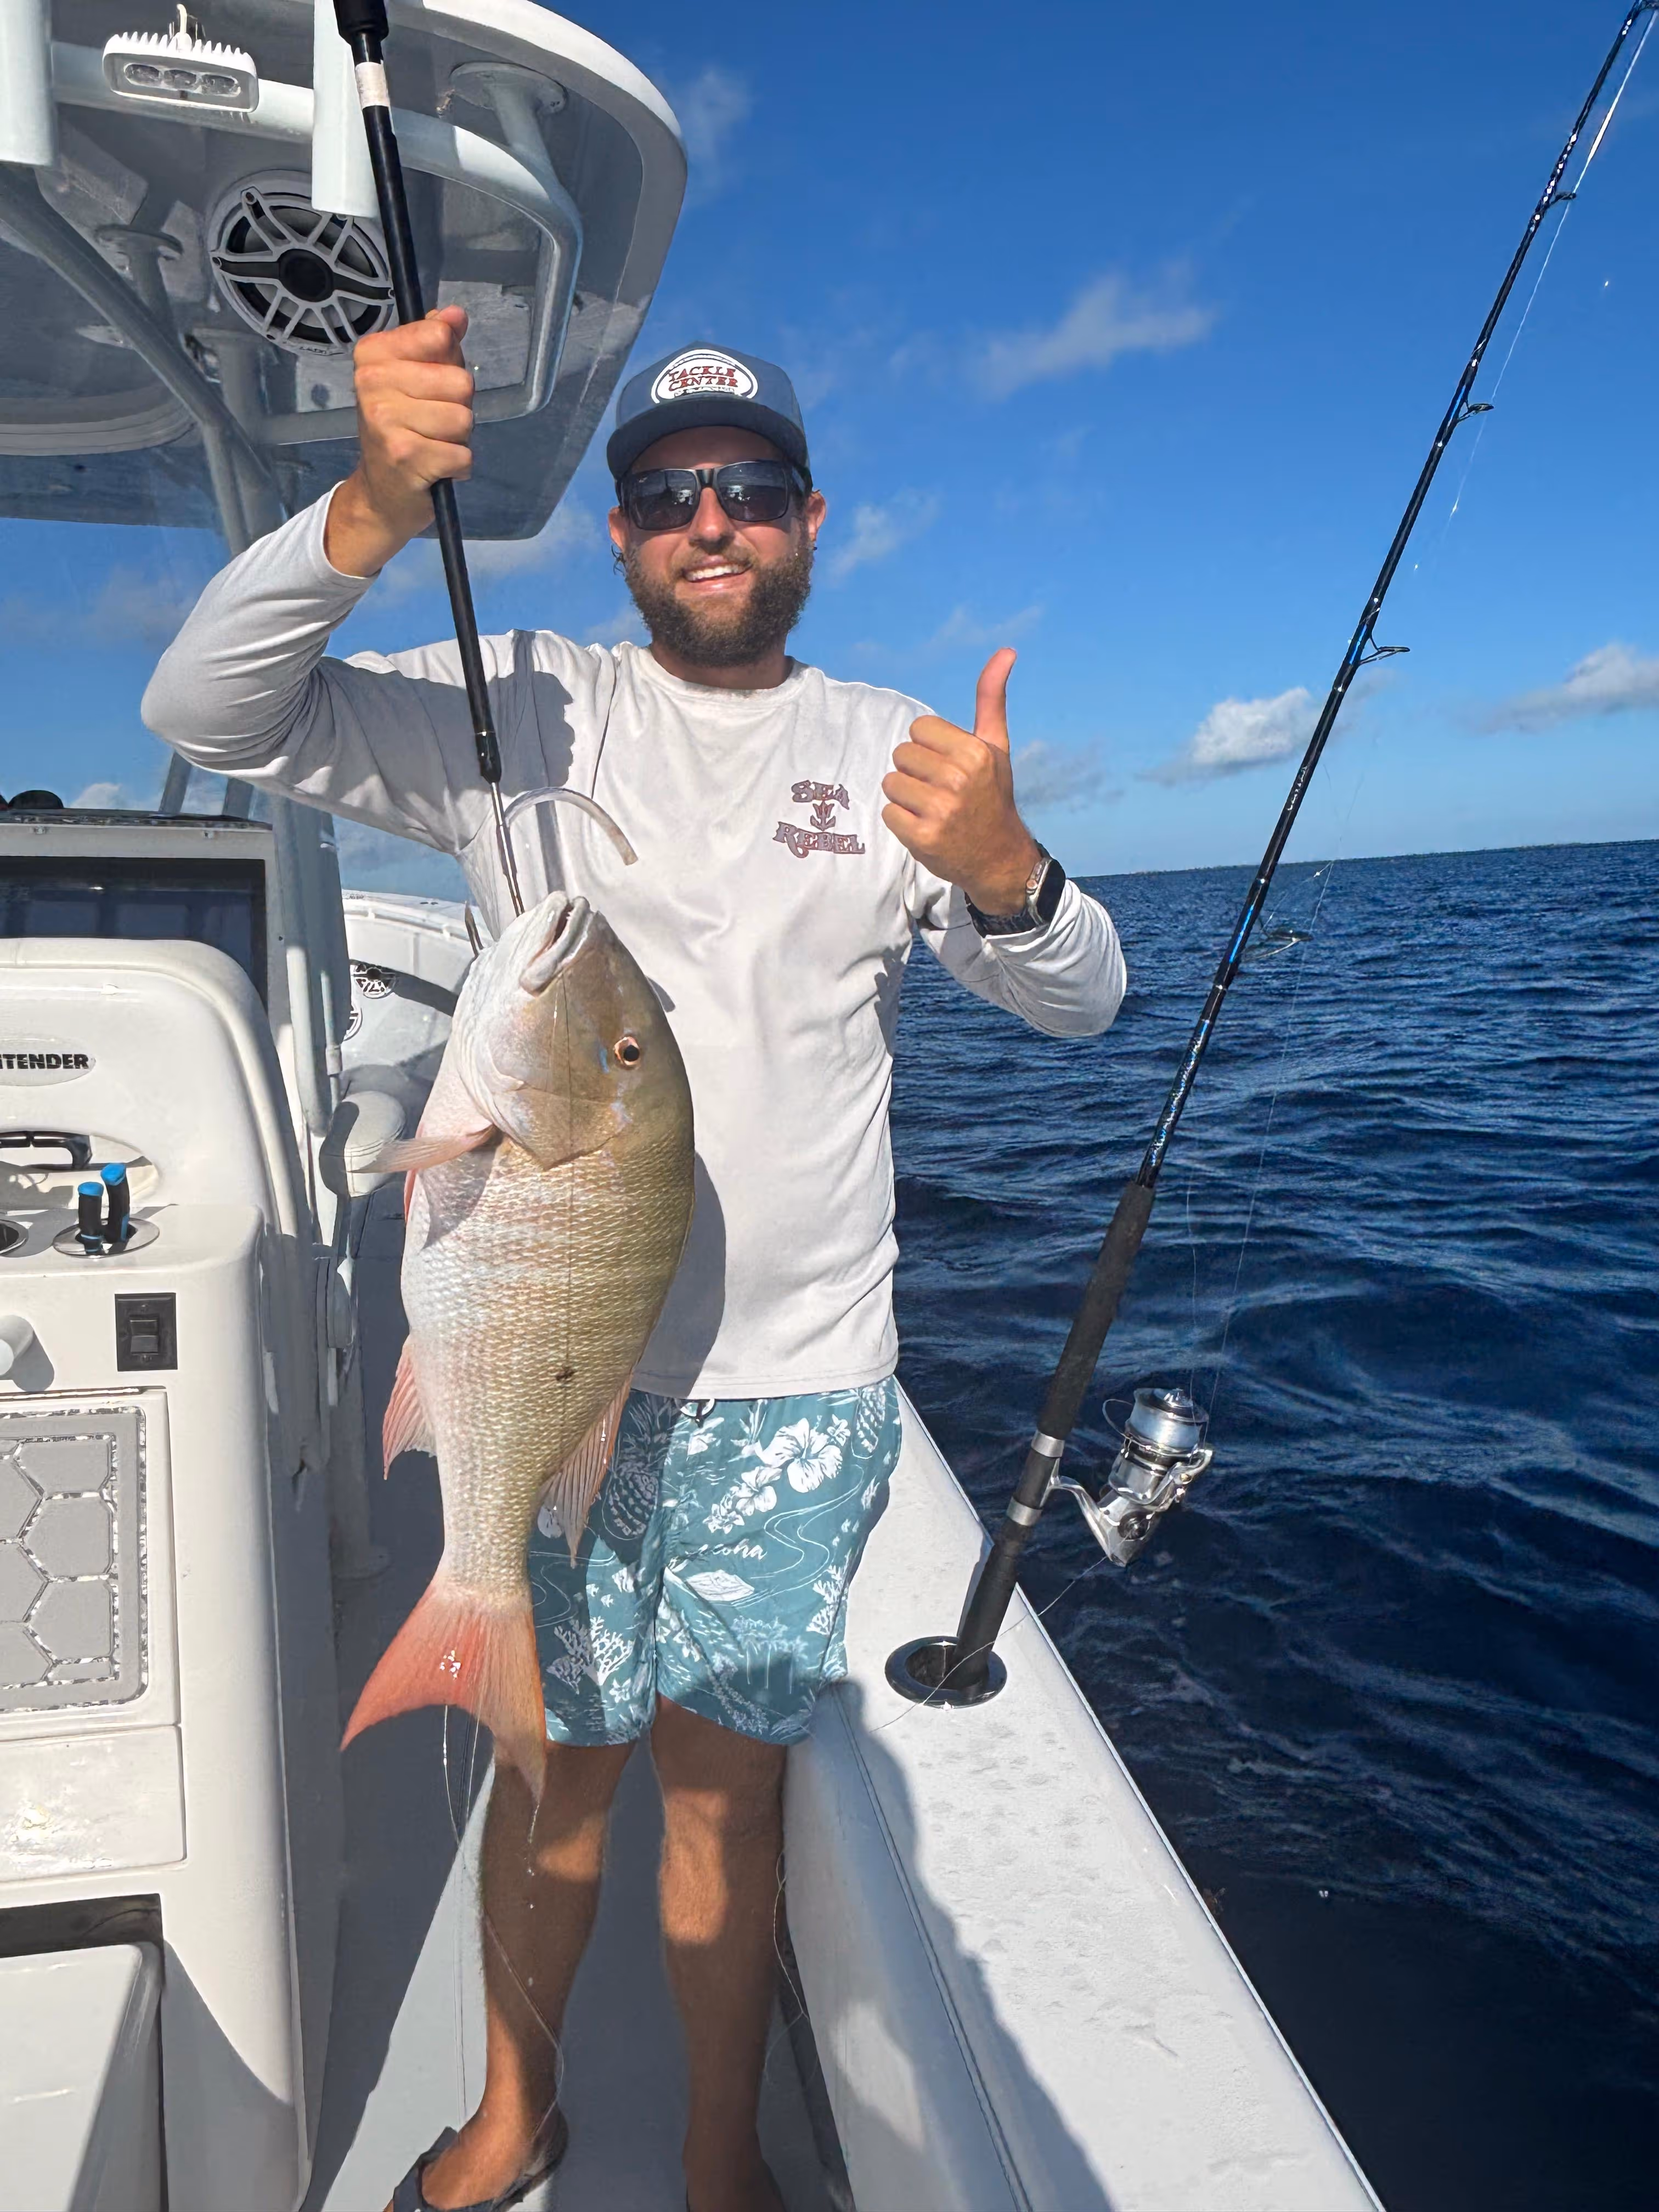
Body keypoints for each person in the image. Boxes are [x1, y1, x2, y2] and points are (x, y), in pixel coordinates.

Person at [144, 315, 1127, 2212]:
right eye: (670, 492)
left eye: (751, 488)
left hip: (799, 1390)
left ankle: (713, 2154)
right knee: (552, 1773)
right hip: (561, 1368)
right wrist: (359, 511)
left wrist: (1009, 874)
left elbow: (1087, 1006)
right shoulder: (519, 699)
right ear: (616, 533)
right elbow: (214, 711)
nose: (712, 520)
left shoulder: (886, 755)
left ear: (811, 521)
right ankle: (522, 2107)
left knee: (724, 1795)